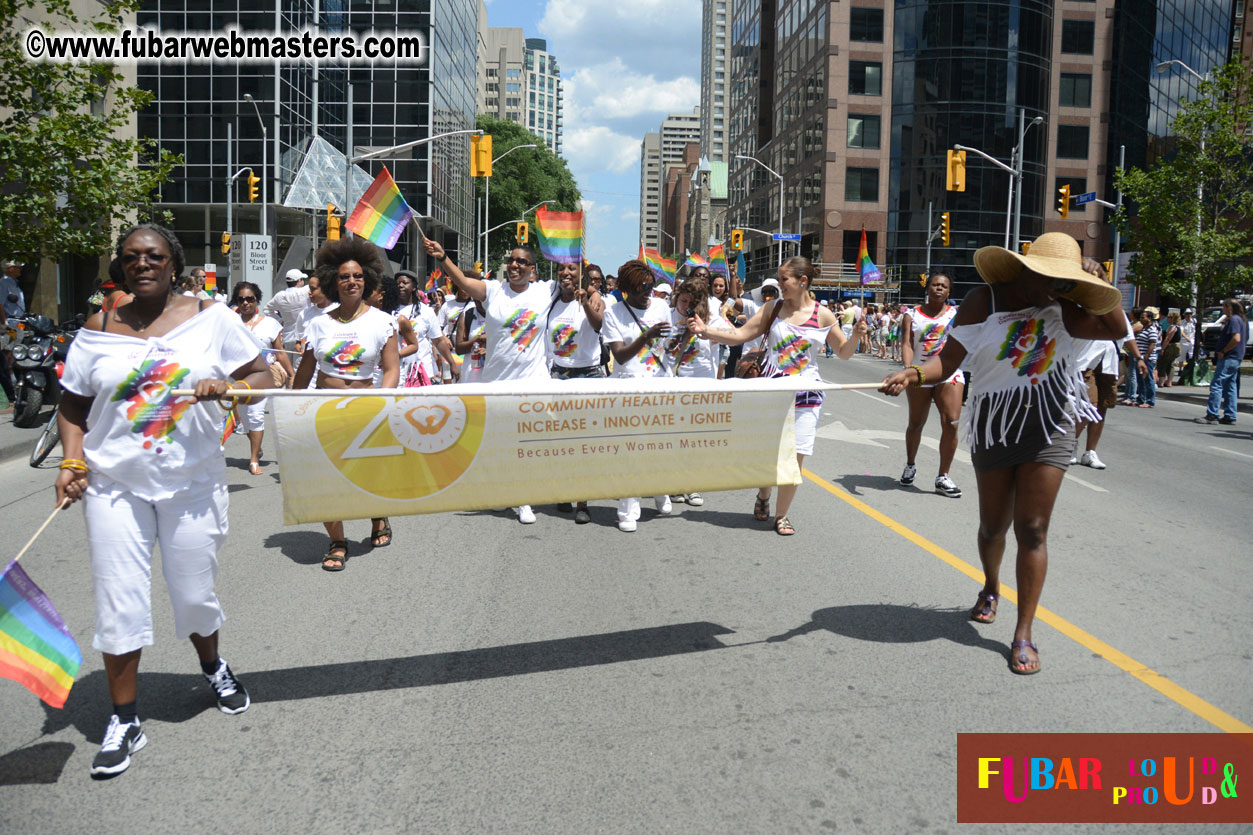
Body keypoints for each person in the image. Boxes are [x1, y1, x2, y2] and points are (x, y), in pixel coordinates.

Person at [54, 224, 272, 777]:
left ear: (174, 262)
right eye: (131, 257)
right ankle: (124, 718)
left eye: (153, 255)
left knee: (194, 590)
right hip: (113, 486)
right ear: (120, 267)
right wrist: (71, 460)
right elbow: (74, 407)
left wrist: (230, 389)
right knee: (118, 598)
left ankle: (213, 665)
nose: (142, 264)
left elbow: (262, 375)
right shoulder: (98, 328)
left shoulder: (213, 319)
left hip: (191, 483)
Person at [879, 233, 1128, 675]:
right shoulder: (984, 300)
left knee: (1032, 529)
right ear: (1025, 268)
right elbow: (949, 362)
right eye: (1047, 276)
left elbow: (1116, 329)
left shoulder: (1063, 307)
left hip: (1051, 423)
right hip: (996, 423)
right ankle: (991, 586)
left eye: (1061, 280)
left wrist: (1095, 285)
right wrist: (914, 372)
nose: (1052, 286)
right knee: (994, 526)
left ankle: (1024, 631)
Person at [693, 257, 867, 535]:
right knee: (771, 454)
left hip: (807, 394)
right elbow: (739, 334)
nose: (779, 284)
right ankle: (764, 493)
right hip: (772, 392)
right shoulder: (772, 309)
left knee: (795, 457)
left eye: (784, 279)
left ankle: (781, 516)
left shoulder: (822, 315)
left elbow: (844, 352)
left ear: (803, 281)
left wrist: (856, 336)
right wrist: (707, 332)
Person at [292, 237, 400, 569]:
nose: (351, 281)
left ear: (366, 279)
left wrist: (382, 402)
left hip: (366, 408)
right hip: (326, 409)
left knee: (368, 476)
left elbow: (392, 368)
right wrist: (292, 410)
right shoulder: (318, 324)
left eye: (357, 276)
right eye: (343, 277)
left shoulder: (382, 321)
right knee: (325, 476)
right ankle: (337, 540)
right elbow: (305, 371)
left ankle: (378, 516)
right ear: (331, 281)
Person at [424, 239, 549, 525]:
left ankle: (524, 498)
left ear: (532, 269)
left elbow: (574, 284)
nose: (515, 265)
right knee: (502, 443)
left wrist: (589, 292)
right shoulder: (494, 290)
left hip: (533, 381)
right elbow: (464, 283)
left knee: (526, 441)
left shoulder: (545, 291)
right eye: (512, 261)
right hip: (497, 382)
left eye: (521, 262)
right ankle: (502, 491)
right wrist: (443, 257)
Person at [601, 260, 675, 532]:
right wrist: (647, 336)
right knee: (630, 452)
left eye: (650, 287)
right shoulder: (614, 313)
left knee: (658, 447)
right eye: (642, 289)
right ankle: (628, 510)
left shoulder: (660, 306)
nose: (647, 293)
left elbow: (666, 345)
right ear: (626, 289)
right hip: (628, 388)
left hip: (659, 385)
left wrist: (678, 339)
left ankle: (659, 490)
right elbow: (619, 355)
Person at [1071, 259, 1147, 470]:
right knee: (1090, 406)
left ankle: (1090, 451)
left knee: (1102, 407)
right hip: (1084, 362)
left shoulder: (1114, 309)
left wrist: (1139, 358)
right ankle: (1070, 444)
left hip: (1109, 363)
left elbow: (1128, 335)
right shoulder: (1078, 306)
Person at [547, 261, 605, 523]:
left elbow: (599, 324)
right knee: (561, 441)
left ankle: (583, 501)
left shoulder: (594, 298)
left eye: (572, 270)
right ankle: (563, 490)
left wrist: (585, 302)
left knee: (585, 444)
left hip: (588, 375)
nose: (566, 274)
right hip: (558, 375)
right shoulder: (552, 299)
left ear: (582, 274)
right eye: (562, 269)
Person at [898, 273, 965, 497]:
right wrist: (909, 370)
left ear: (949, 292)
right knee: (916, 423)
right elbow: (907, 343)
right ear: (927, 288)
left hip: (949, 373)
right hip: (919, 373)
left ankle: (943, 477)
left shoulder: (957, 315)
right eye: (935, 285)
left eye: (944, 286)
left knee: (952, 423)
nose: (939, 288)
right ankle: (910, 464)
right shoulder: (911, 315)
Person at [231, 281, 292, 474]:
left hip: (263, 376)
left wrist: (291, 374)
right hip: (238, 377)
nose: (246, 303)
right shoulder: (230, 323)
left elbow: (279, 351)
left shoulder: (269, 323)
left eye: (250, 299)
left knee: (256, 416)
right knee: (245, 421)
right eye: (241, 299)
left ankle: (254, 458)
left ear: (257, 300)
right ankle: (256, 446)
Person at [394, 270, 454, 387]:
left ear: (414, 287)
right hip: (397, 371)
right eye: (397, 283)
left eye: (405, 283)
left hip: (423, 371)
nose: (400, 285)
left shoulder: (426, 311)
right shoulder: (388, 310)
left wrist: (452, 363)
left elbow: (438, 340)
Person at [1196, 298, 1246, 425]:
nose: (1222, 309)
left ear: (1229, 307)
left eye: (1224, 306)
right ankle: (1230, 415)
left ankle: (1212, 414)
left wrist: (1224, 351)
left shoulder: (1234, 320)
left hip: (1228, 357)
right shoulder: (1240, 320)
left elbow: (1236, 338)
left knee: (1217, 384)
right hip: (1235, 357)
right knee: (1230, 386)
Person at [263, 268, 312, 353]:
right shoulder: (305, 291)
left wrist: (280, 320)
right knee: (300, 364)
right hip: (303, 336)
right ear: (299, 280)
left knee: (288, 364)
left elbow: (266, 309)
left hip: (287, 336)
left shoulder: (280, 296)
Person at [1134, 307, 1160, 408]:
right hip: (1140, 359)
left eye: (1143, 317)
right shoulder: (1142, 329)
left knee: (1148, 379)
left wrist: (1146, 357)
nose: (1141, 319)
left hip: (1147, 359)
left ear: (1149, 318)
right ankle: (1141, 399)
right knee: (1140, 379)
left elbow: (1153, 344)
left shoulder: (1152, 329)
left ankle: (1150, 401)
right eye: (1140, 317)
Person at [1157, 310, 1182, 387]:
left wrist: (1162, 349)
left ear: (1173, 318)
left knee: (1162, 363)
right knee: (1170, 364)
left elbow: (1168, 339)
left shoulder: (1172, 327)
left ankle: (1161, 381)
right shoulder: (1179, 327)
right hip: (1176, 347)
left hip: (1170, 347)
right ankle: (1169, 382)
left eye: (1169, 317)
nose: (1167, 318)